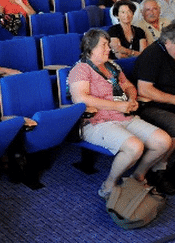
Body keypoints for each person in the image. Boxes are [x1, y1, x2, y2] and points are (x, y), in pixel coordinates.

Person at [68, 29, 174, 197]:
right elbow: (81, 98)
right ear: (90, 47)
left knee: (163, 142)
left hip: (125, 115)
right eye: (103, 45)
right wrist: (117, 106)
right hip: (97, 121)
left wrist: (131, 99)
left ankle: (138, 175)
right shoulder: (81, 69)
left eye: (108, 45)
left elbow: (130, 86)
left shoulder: (112, 66)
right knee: (135, 147)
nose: (108, 49)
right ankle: (109, 185)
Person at [134, 23, 175, 184]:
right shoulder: (152, 55)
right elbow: (145, 90)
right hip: (150, 105)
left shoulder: (172, 52)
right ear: (168, 42)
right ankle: (159, 168)